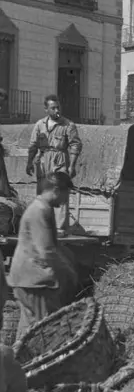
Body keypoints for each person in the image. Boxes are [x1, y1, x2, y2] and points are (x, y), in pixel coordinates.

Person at [8, 172, 75, 341]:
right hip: (34, 281)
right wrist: (67, 271)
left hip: (25, 279)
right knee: (47, 330)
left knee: (27, 331)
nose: (67, 200)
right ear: (56, 190)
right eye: (67, 194)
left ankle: (18, 363)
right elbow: (46, 250)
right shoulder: (40, 211)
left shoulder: (44, 208)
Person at [26, 95, 83, 236]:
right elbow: (33, 145)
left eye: (58, 107)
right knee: (43, 193)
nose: (57, 110)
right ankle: (44, 226)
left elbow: (75, 145)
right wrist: (29, 162)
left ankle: (60, 228)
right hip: (44, 159)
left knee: (60, 192)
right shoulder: (39, 124)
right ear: (46, 109)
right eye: (53, 108)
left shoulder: (68, 125)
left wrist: (72, 166)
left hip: (60, 159)